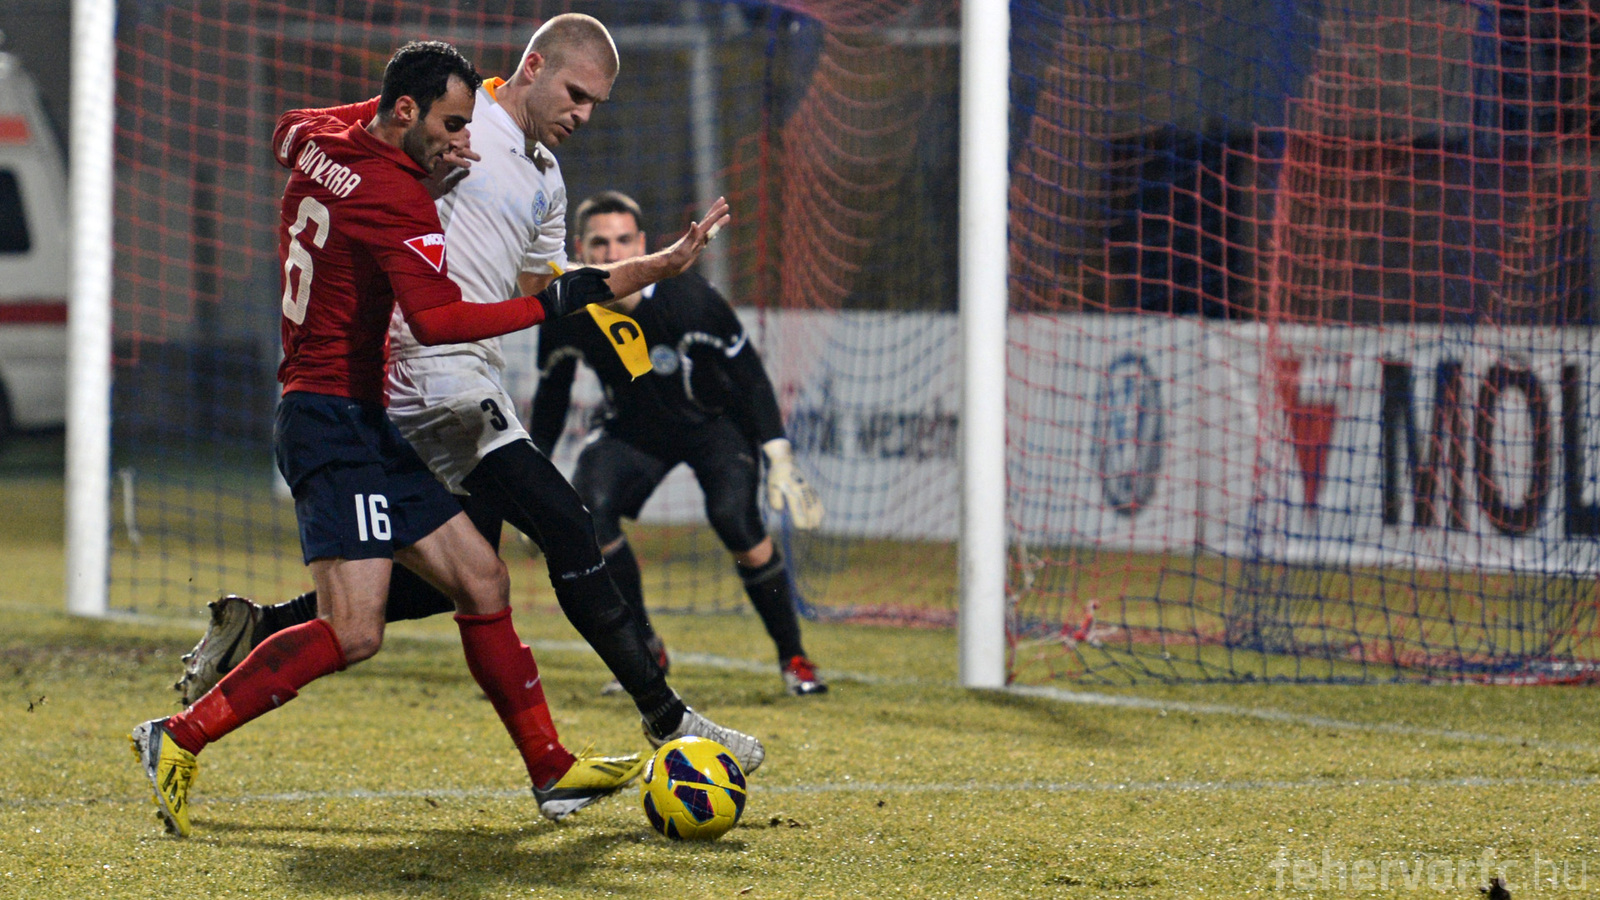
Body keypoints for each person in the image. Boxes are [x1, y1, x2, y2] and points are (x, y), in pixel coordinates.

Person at [167, 15, 762, 792]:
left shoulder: (547, 179)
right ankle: (665, 717)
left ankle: (263, 627)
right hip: (426, 375)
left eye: (596, 104)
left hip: (467, 373)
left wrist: (658, 267)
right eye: (576, 93)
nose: (583, 113)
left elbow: (546, 290)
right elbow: (355, 147)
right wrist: (411, 171)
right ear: (533, 66)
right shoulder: (452, 115)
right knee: (566, 522)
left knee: (459, 577)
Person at [531, 190, 829, 697]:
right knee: (589, 511)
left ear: (642, 243)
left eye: (623, 240)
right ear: (580, 248)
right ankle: (646, 648)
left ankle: (794, 657)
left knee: (737, 523)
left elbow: (751, 377)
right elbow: (554, 392)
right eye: (599, 243)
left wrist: (778, 452)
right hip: (633, 428)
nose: (612, 252)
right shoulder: (569, 307)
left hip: (715, 426)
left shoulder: (691, 299)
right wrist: (532, 472)